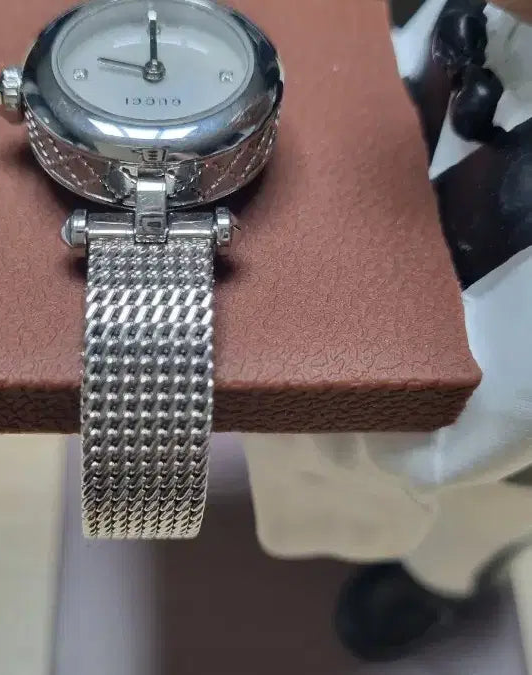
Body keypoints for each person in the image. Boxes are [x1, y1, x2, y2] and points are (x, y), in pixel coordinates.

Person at [244, 0, 532, 661]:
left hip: (482, 434)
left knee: (470, 524)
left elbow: (459, 429)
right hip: (398, 198)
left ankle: (437, 584)